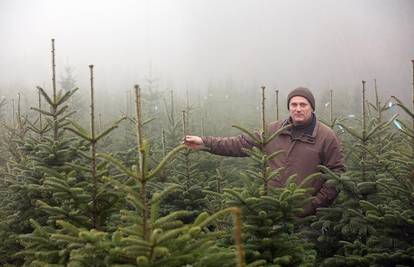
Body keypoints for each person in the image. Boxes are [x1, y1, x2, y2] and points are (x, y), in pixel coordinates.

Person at [184, 87, 345, 216]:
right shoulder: (274, 130)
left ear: (311, 107)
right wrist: (205, 142)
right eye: (293, 105)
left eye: (303, 105)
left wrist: (313, 205)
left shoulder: (326, 136)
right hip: (271, 212)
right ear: (289, 107)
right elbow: (240, 143)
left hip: (305, 218)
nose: (298, 109)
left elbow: (336, 174)